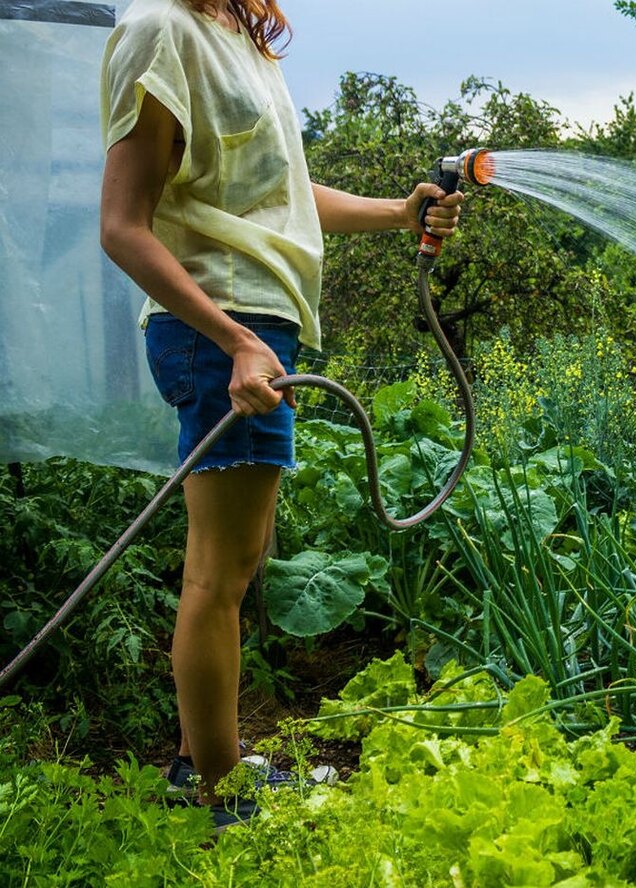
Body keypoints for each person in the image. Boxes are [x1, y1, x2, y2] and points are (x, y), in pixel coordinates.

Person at [98, 0, 463, 828]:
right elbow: (122, 227)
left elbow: (284, 200)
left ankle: (201, 763)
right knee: (220, 575)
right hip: (222, 323)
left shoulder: (241, 42)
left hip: (253, 323)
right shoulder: (161, 27)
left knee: (225, 560)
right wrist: (233, 341)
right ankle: (226, 799)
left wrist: (398, 213)